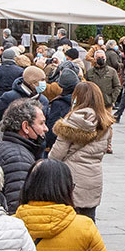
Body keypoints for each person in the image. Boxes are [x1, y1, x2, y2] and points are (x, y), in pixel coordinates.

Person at [48, 81, 113, 219]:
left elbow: (56, 154)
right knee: (88, 220)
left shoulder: (73, 120)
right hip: (94, 176)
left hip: (71, 177)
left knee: (70, 221)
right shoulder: (105, 122)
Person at [0, 98, 49, 211]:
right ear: (25, 127)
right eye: (41, 123)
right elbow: (17, 206)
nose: (46, 128)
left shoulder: (9, 148)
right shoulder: (18, 158)